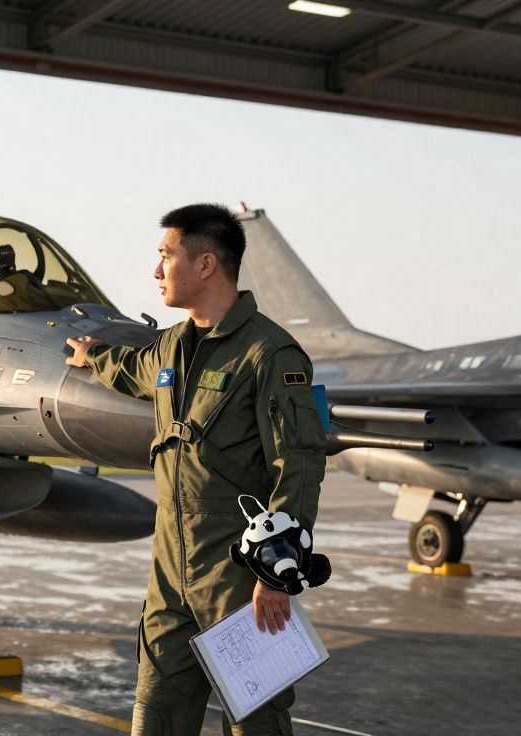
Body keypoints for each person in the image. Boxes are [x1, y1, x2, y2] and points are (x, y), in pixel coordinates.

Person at [64, 203, 326, 736]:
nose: (155, 271)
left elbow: (297, 465)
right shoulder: (169, 348)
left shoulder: (270, 353)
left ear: (206, 264)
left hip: (238, 568)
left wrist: (276, 573)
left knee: (257, 721)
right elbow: (130, 369)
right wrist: (90, 356)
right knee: (156, 715)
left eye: (165, 255)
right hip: (169, 566)